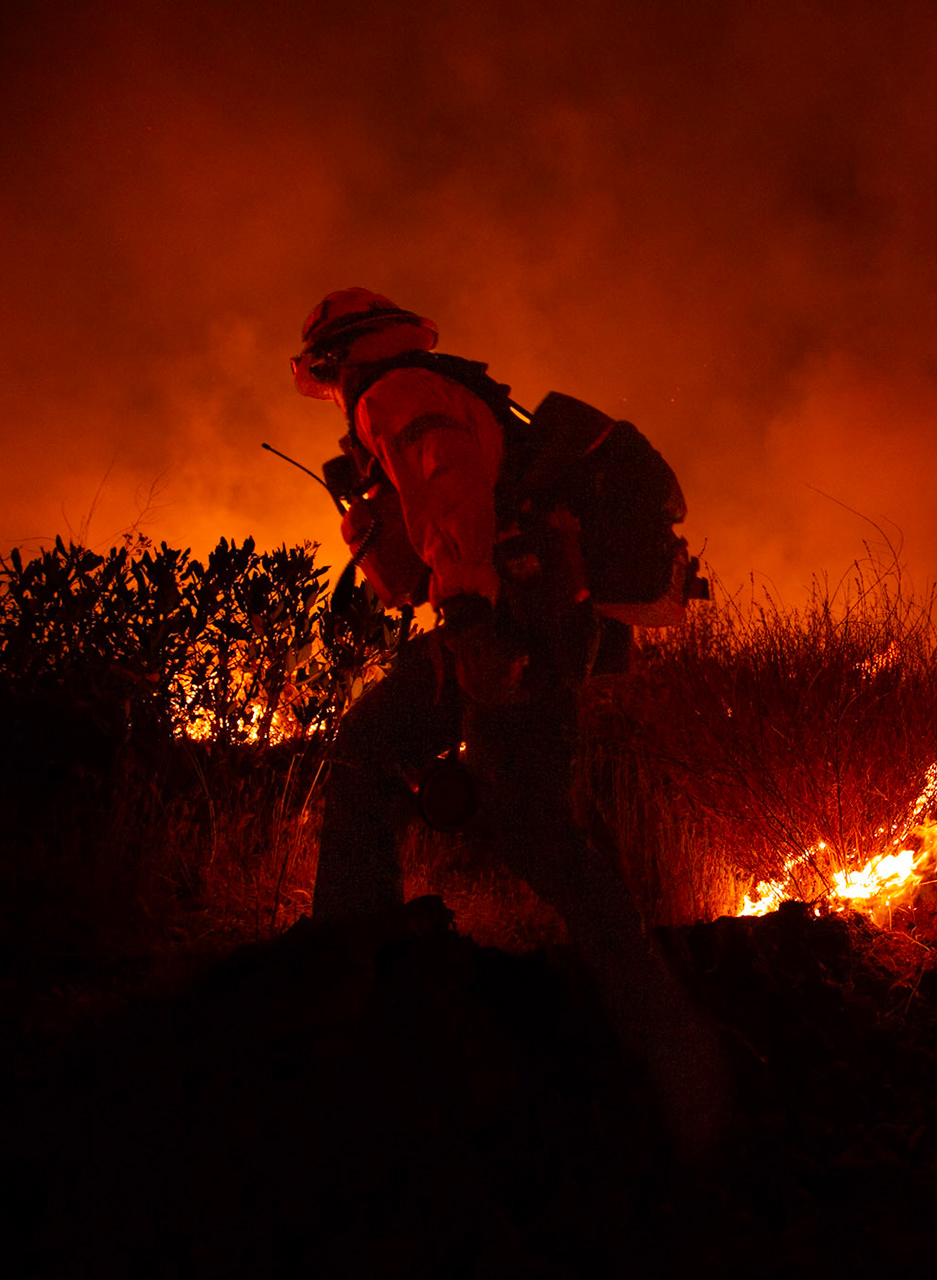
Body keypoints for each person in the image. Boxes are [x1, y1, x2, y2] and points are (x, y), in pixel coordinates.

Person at [291, 287, 726, 1158]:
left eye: (327, 377)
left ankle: (346, 979)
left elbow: (455, 501)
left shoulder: (395, 394)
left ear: (340, 359)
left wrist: (469, 630)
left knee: (377, 750)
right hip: (534, 614)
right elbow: (433, 536)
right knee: (532, 817)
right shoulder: (439, 387)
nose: (332, 395)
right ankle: (659, 1026)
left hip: (502, 621)